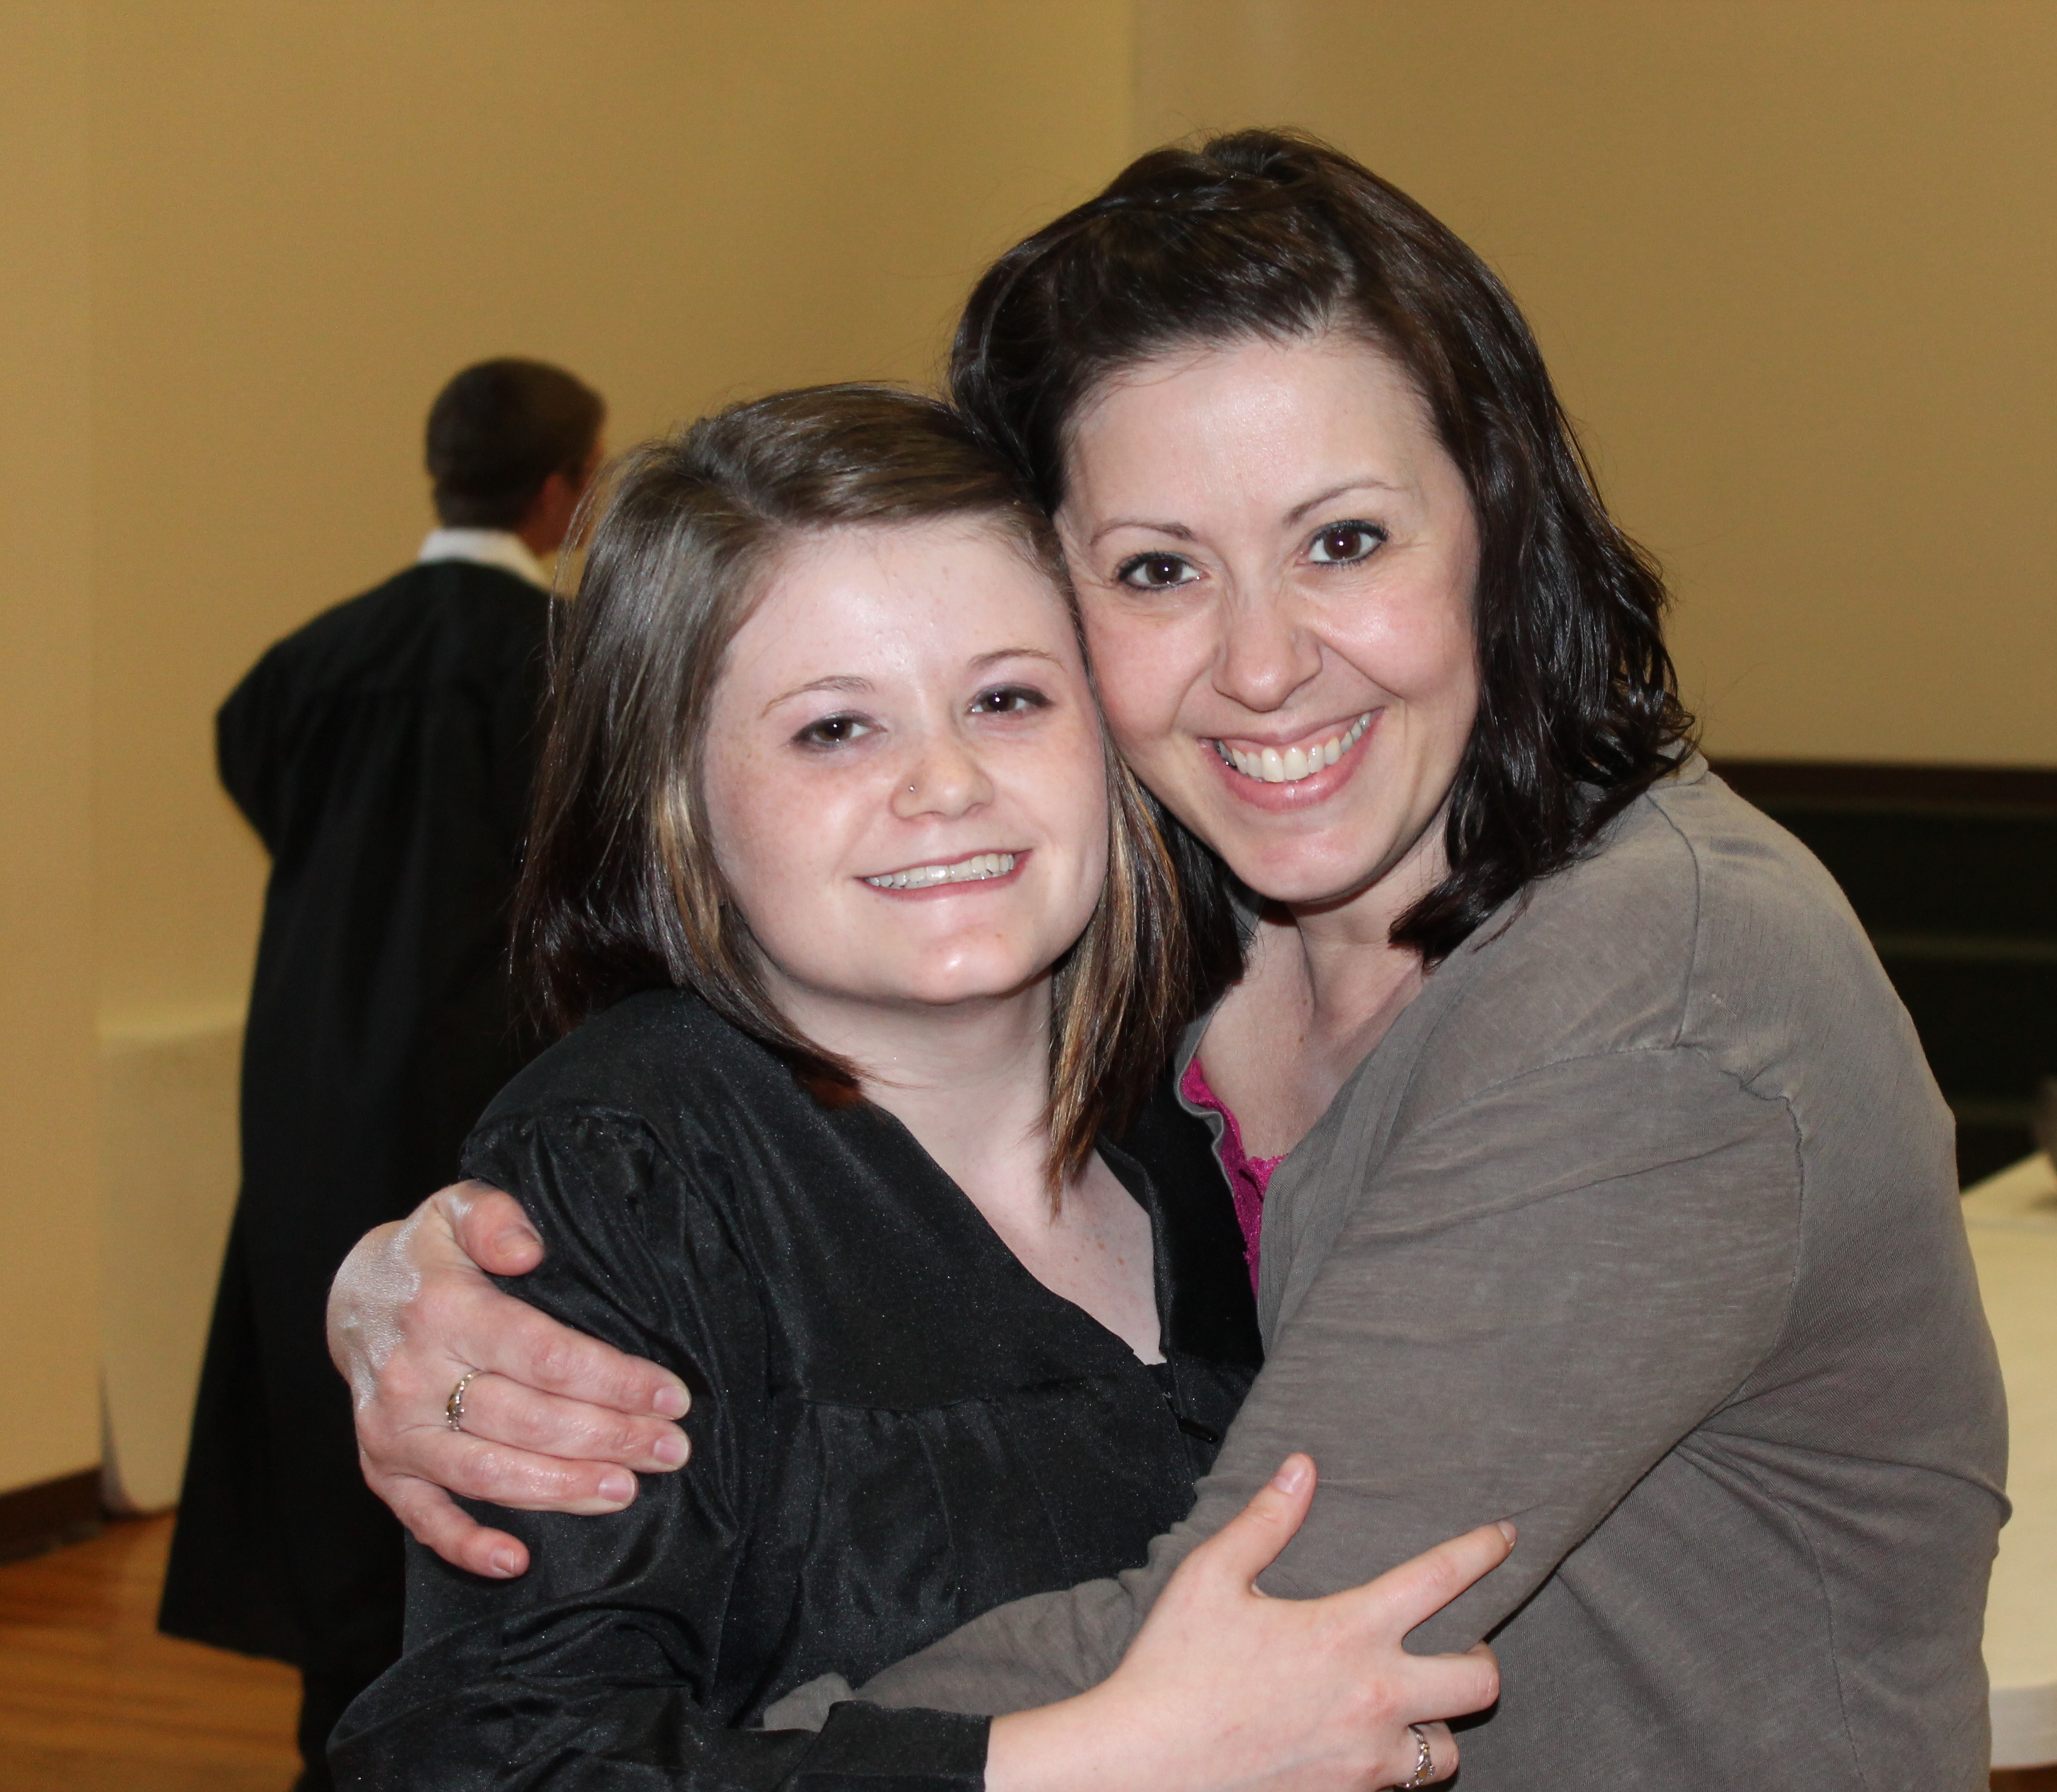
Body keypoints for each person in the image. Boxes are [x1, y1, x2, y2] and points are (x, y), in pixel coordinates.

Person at [330, 132, 2011, 1786]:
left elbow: (1243, 1650)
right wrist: (421, 1287)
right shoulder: (1185, 958)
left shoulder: (1660, 996)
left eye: (1344, 540)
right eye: (1157, 570)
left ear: (1498, 522)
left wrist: (693, 1764)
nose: (1262, 665)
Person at [330, 382, 1505, 1789]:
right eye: (836, 728)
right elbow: (502, 1760)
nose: (944, 782)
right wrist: (1097, 1762)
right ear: (675, 792)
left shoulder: (1222, 1112)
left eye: (1007, 699)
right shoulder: (626, 1182)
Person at [164, 356, 605, 1789]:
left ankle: (337, 1744)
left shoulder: (305, 664)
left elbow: (267, 795)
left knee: (330, 1409)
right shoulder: (570, 661)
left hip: (312, 1096)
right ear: (565, 489)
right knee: (481, 1414)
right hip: (491, 1104)